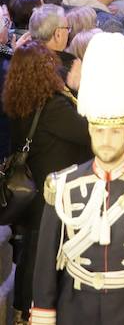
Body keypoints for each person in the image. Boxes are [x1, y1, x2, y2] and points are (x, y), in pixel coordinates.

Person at [30, 32, 124, 325]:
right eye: (99, 131)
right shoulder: (61, 186)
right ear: (89, 132)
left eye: (115, 131)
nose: (107, 140)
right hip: (75, 308)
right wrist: (44, 314)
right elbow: (45, 261)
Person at [3, 41, 91, 322]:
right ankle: (33, 313)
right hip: (53, 196)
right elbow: (90, 134)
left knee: (31, 253)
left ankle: (22, 311)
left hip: (36, 193)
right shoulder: (53, 106)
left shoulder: (21, 102)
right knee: (42, 258)